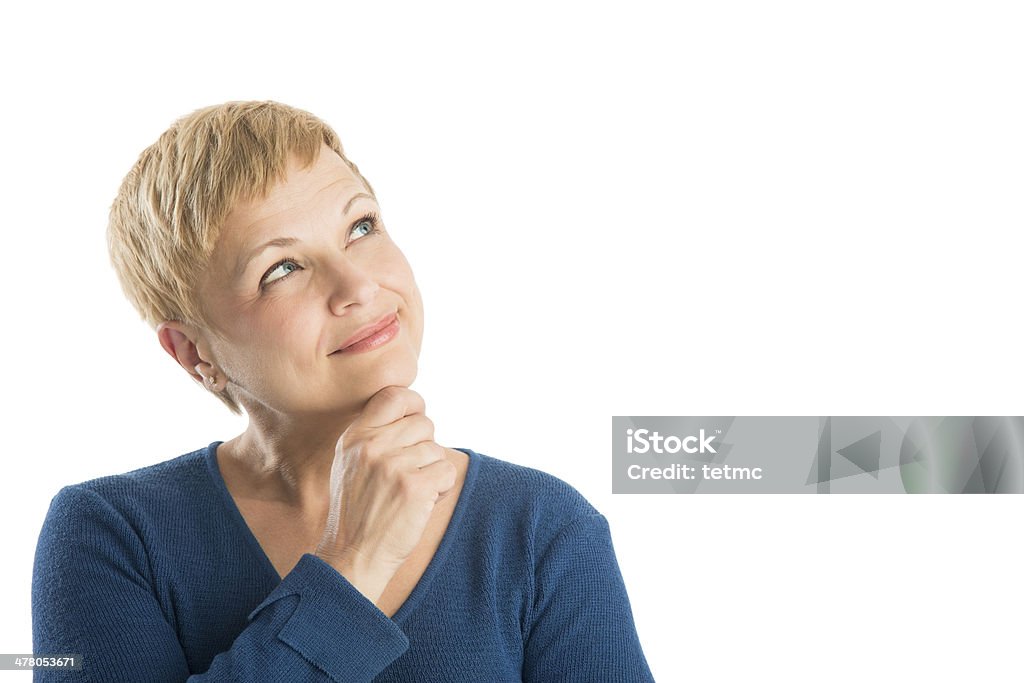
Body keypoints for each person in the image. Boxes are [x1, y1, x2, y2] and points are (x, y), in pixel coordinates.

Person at [31, 100, 655, 682]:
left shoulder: (544, 527)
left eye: (361, 226)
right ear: (195, 353)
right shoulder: (107, 535)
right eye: (283, 268)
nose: (357, 284)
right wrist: (354, 563)